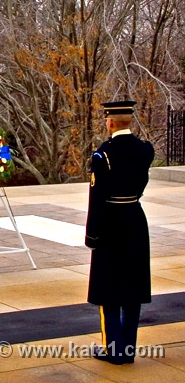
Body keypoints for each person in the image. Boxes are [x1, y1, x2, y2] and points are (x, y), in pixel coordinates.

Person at [85, 100, 154, 365]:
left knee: (109, 289)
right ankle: (128, 349)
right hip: (135, 219)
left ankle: (113, 350)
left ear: (110, 121)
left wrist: (92, 235)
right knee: (133, 287)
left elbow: (97, 197)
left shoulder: (104, 154)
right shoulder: (145, 150)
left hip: (111, 222)